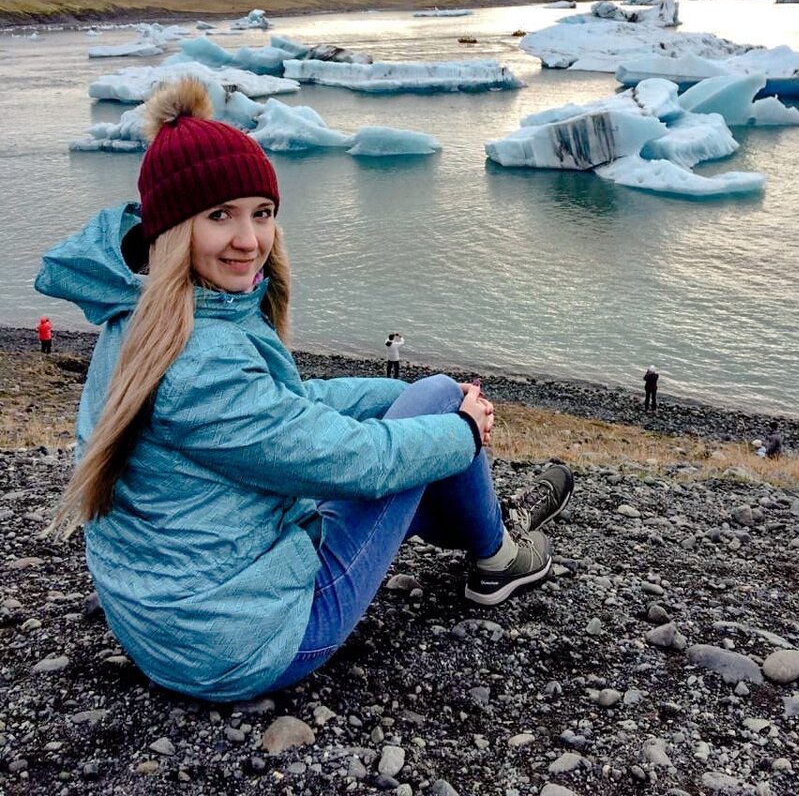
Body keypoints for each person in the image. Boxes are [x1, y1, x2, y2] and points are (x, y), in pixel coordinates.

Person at [36, 77, 575, 702]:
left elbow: (282, 413)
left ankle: (493, 529)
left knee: (423, 404)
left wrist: (388, 398)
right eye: (220, 216)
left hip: (177, 622)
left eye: (261, 213)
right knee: (432, 413)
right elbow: (357, 463)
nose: (249, 240)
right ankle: (500, 557)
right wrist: (460, 427)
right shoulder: (198, 362)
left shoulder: (143, 316)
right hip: (248, 643)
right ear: (174, 228)